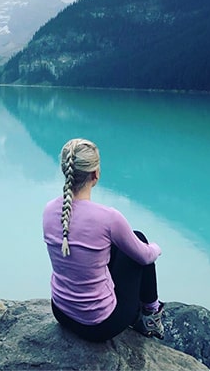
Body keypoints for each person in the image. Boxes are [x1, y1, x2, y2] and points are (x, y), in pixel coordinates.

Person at [42, 138, 164, 342]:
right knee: (138, 238)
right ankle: (151, 315)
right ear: (95, 174)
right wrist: (156, 248)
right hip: (99, 324)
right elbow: (145, 257)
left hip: (61, 312)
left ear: (66, 171)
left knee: (114, 244)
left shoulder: (48, 210)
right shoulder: (108, 218)